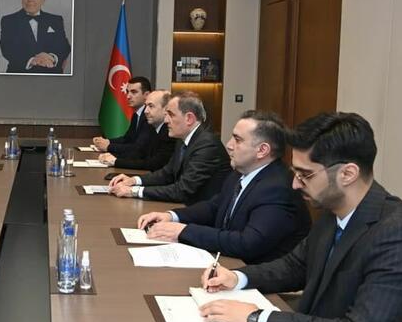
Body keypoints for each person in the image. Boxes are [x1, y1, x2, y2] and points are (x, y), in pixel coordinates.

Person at [199, 112, 402, 322]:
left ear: (347, 174)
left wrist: (256, 318)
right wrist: (237, 277)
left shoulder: (400, 235)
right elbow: (294, 266)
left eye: (306, 175)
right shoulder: (332, 214)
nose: (295, 184)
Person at [136, 110, 310, 264]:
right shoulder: (240, 173)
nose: (229, 145)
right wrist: (172, 216)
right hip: (227, 263)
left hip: (258, 279)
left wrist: (184, 231)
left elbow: (247, 243)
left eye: (238, 140)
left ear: (262, 150)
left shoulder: (278, 188)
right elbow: (214, 207)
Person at [108, 91, 230, 203]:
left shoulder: (207, 145)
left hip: (202, 213)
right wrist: (134, 180)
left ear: (189, 118)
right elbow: (167, 173)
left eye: (171, 115)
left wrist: (134, 191)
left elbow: (182, 190)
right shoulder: (183, 139)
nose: (166, 120)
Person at [0, 0, 71, 74]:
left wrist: (52, 57)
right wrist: (32, 60)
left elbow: (64, 46)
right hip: (20, 76)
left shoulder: (55, 20)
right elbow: (7, 48)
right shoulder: (9, 21)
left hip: (52, 76)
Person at [98, 90, 176, 171]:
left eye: (151, 106)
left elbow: (154, 164)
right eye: (145, 106)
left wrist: (115, 161)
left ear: (165, 110)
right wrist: (113, 157)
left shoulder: (170, 133)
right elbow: (139, 153)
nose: (145, 111)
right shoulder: (152, 127)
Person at [93, 76, 152, 155]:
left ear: (146, 95)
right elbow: (127, 139)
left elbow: (138, 148)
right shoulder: (136, 115)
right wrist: (107, 141)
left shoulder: (149, 116)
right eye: (127, 92)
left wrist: (108, 146)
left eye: (134, 92)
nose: (128, 96)